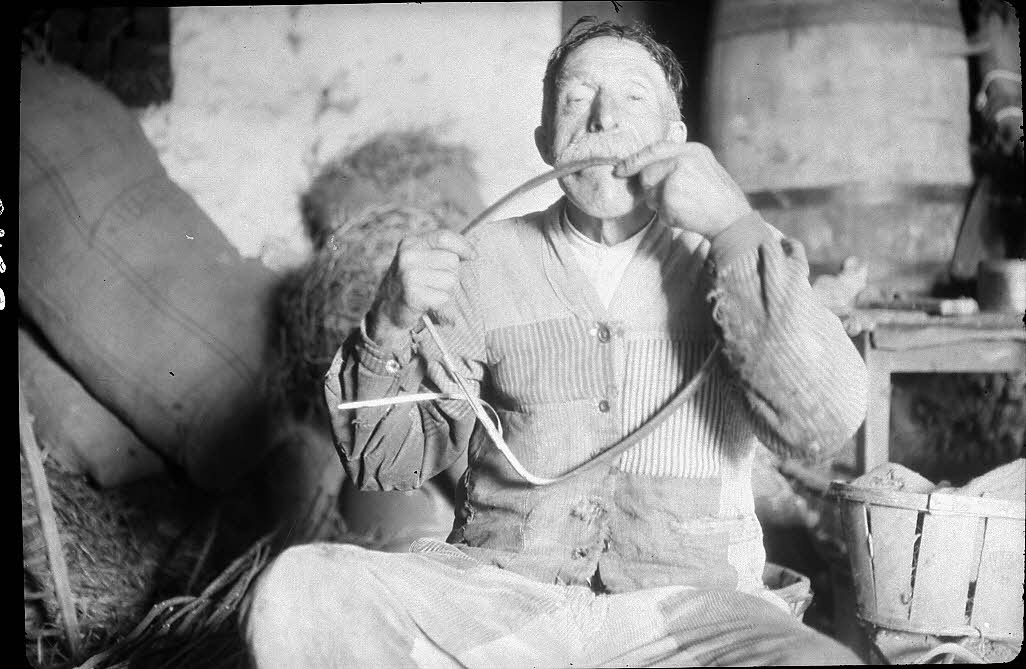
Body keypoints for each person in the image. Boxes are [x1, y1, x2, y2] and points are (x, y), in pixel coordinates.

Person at [241, 17, 867, 667]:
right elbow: (386, 465)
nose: (602, 118)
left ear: (675, 137)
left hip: (691, 615)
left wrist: (735, 227)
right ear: (546, 140)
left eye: (632, 97)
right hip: (500, 602)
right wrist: (390, 320)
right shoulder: (484, 259)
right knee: (300, 590)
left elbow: (823, 426)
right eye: (576, 99)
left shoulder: (735, 249)